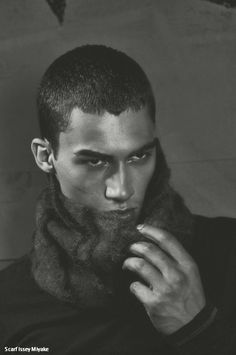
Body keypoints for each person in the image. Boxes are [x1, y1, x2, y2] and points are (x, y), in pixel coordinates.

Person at [0, 45, 235, 355]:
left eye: (139, 156)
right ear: (46, 157)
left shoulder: (228, 251)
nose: (122, 190)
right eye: (94, 161)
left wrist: (199, 331)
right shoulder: (9, 302)